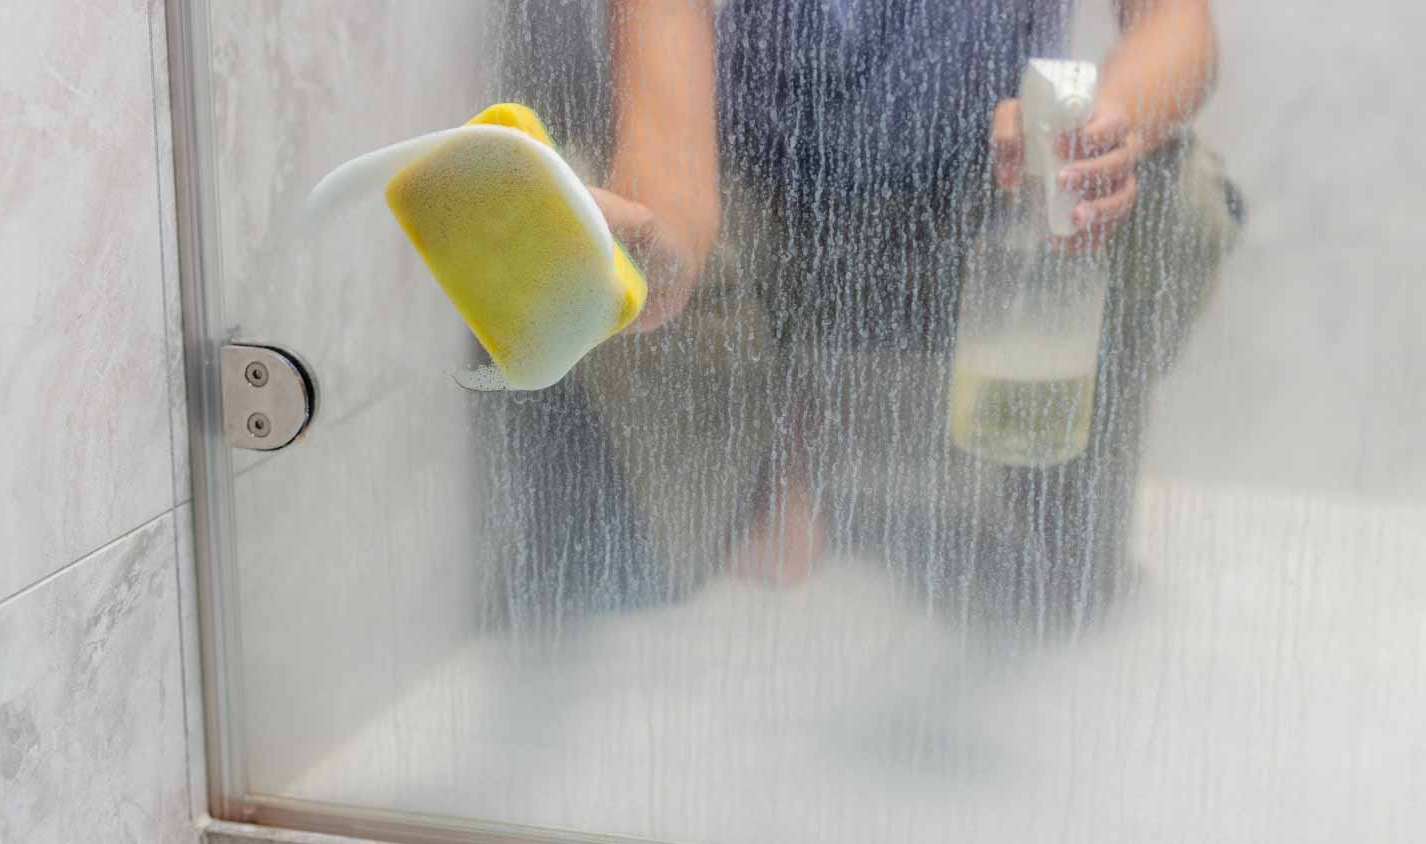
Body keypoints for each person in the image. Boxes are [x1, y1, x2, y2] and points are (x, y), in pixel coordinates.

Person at [479, 0, 1241, 632]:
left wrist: (1097, 132)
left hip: (989, 206)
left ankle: (1043, 506)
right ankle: (770, 453)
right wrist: (652, 259)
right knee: (582, 209)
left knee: (1172, 194)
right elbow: (666, 158)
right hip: (764, 210)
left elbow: (1178, 23)